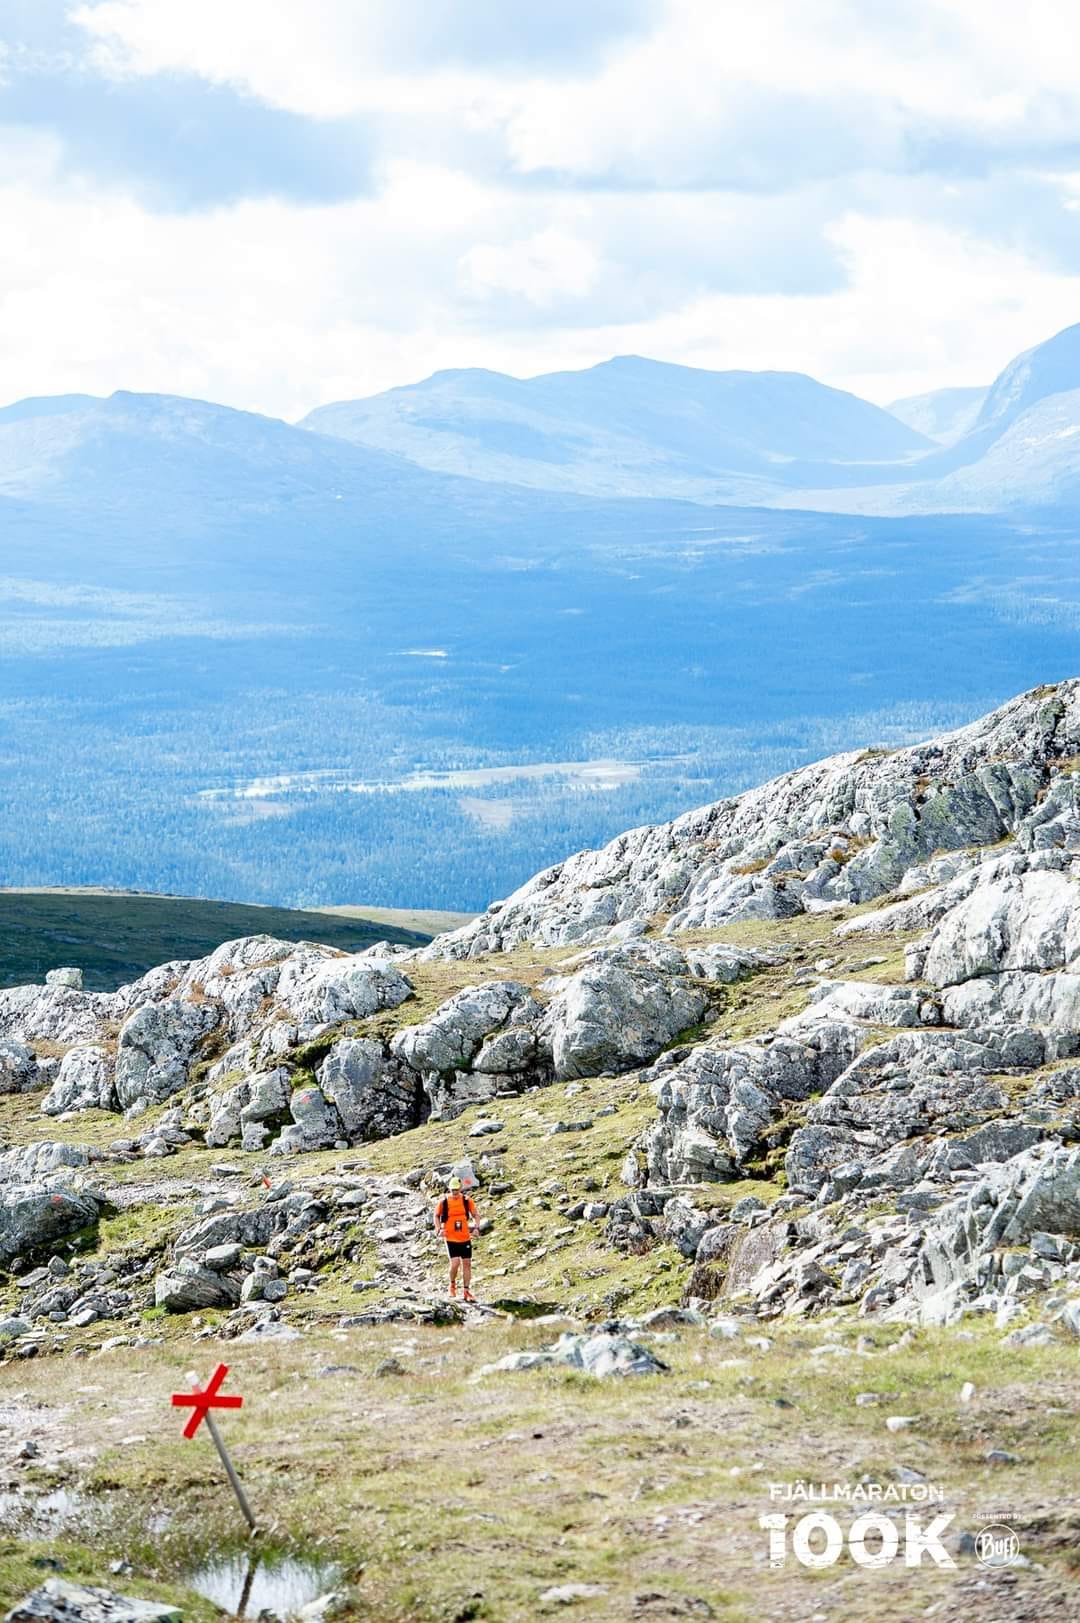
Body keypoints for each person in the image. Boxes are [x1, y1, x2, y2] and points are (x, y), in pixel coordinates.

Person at [434, 1175, 478, 1301]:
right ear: (449, 1188)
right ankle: (452, 1285)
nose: (454, 1192)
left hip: (465, 1237)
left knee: (467, 1264)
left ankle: (466, 1291)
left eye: (456, 1190)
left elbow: (475, 1214)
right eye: (452, 1190)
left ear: (460, 1188)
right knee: (455, 1263)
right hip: (450, 1238)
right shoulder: (444, 1202)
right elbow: (436, 1215)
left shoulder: (467, 1201)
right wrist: (438, 1229)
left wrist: (476, 1227)